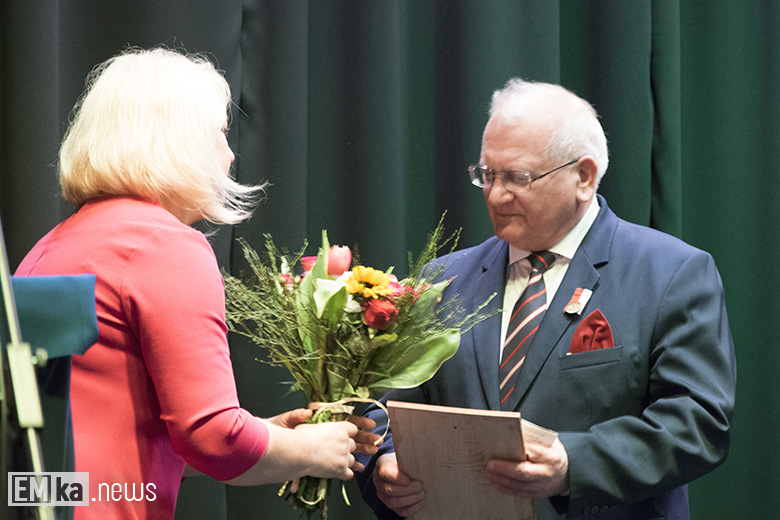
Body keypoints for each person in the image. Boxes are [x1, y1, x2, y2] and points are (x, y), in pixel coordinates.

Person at [15, 47, 379, 519]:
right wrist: (316, 451)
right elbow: (215, 438)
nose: (230, 155)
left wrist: (276, 439)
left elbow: (96, 450)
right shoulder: (165, 246)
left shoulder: (48, 248)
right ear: (178, 141)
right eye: (222, 135)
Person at [357, 79, 736, 519]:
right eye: (487, 174)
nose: (496, 195)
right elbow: (385, 409)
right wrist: (382, 463)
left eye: (518, 177)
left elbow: (698, 423)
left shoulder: (671, 273)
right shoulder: (441, 280)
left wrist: (573, 464)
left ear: (584, 177)